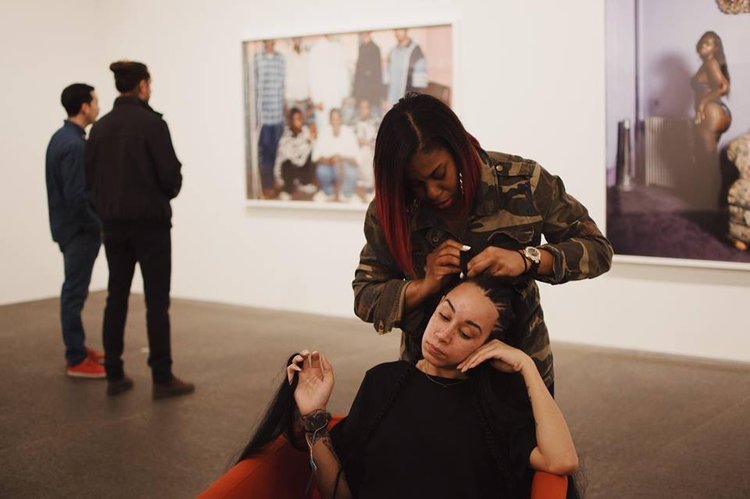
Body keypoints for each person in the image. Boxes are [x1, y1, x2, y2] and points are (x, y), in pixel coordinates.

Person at [353, 93, 613, 390]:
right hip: (431, 375)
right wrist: (424, 285)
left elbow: (598, 249)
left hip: (515, 370)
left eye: (440, 174)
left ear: (457, 149)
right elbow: (365, 296)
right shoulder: (392, 210)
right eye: (416, 184)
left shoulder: (523, 183)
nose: (433, 192)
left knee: (526, 438)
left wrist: (527, 259)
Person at [239, 277, 580, 498]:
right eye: (444, 316)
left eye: (466, 332)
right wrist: (313, 415)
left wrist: (526, 367)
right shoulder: (383, 381)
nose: (443, 334)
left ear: (490, 345)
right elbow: (339, 493)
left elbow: (562, 460)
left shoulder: (494, 405)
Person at [86, 61, 194, 399]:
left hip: (113, 225)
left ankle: (114, 374)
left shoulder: (99, 128)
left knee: (115, 297)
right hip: (151, 225)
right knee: (156, 301)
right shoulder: (152, 125)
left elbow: (89, 182)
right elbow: (171, 180)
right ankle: (161, 377)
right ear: (143, 86)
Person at [45, 83, 105, 378]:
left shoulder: (62, 138)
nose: (97, 106)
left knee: (74, 291)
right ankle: (76, 357)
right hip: (78, 231)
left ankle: (77, 348)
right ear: (84, 106)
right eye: (94, 101)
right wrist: (98, 226)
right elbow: (77, 197)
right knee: (74, 292)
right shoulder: (73, 145)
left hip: (69, 228)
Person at [255, 40, 286, 199]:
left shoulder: (280, 59)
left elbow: (282, 87)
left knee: (277, 153)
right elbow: (255, 88)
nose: (270, 44)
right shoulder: (257, 60)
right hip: (264, 119)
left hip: (278, 117)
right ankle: (266, 185)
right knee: (266, 154)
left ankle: (275, 181)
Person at [691, 31, 731, 154]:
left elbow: (724, 87)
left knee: (705, 158)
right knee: (707, 155)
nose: (703, 45)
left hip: (711, 112)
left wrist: (703, 102)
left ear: (715, 48)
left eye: (708, 44)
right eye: (702, 42)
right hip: (717, 112)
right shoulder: (707, 64)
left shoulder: (711, 63)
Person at [312, 108, 361, 203]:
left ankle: (347, 194)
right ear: (329, 120)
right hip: (329, 164)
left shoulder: (349, 133)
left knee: (352, 171)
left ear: (341, 119)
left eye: (337, 119)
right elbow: (315, 157)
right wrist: (330, 160)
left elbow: (357, 159)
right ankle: (328, 193)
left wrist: (342, 159)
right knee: (322, 170)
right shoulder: (324, 132)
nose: (335, 122)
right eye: (333, 119)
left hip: (345, 165)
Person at [274, 107, 315, 200]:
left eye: (300, 118)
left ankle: (304, 183)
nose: (298, 122)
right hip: (286, 168)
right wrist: (307, 145)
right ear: (291, 121)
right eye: (295, 119)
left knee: (311, 153)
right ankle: (286, 190)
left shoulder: (305, 130)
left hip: (299, 162)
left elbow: (311, 147)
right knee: (288, 164)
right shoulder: (286, 136)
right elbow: (293, 160)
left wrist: (311, 141)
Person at [384, 29, 428, 108]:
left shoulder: (416, 51)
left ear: (406, 30)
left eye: (400, 29)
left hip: (407, 102)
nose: (397, 32)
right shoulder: (393, 51)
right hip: (391, 101)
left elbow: (420, 84)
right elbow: (387, 77)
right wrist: (385, 98)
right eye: (396, 30)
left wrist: (412, 103)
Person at [352, 31, 385, 119]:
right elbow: (358, 73)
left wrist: (379, 96)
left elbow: (378, 74)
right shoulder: (361, 47)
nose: (362, 35)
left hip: (372, 95)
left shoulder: (375, 49)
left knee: (374, 120)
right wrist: (355, 94)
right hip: (361, 94)